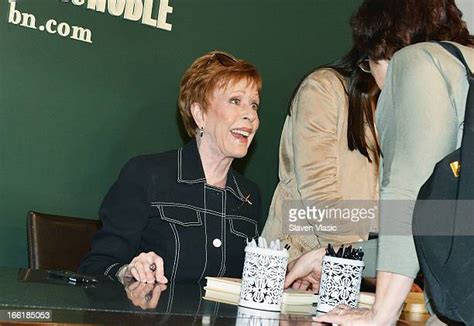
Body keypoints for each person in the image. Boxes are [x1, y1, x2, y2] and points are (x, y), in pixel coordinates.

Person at [286, 0, 474, 324]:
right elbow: (437, 227)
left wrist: (380, 313)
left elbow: (407, 195)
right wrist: (334, 258)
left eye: (368, 62)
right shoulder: (462, 70)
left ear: (381, 46)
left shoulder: (414, 63)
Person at [79, 51, 262, 284]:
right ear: (200, 114)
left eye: (254, 105)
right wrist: (128, 271)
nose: (250, 115)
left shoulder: (250, 196)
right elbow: (94, 268)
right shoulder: (147, 175)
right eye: (236, 101)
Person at [262, 47, 380, 276]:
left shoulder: (392, 105)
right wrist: (353, 263)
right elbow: (319, 192)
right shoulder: (323, 88)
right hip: (298, 265)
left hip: (348, 265)